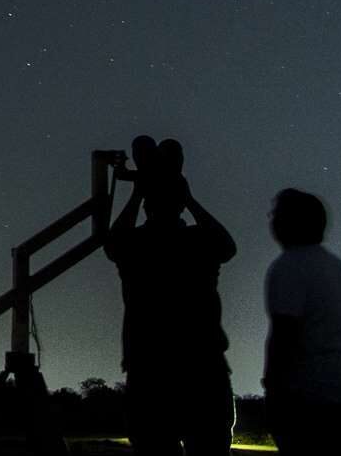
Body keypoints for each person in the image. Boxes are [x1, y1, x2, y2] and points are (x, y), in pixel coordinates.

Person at [104, 137, 237, 456]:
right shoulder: (198, 243)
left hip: (150, 368)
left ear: (147, 206)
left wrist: (138, 191)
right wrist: (189, 198)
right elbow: (227, 246)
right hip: (203, 367)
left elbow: (113, 244)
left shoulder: (137, 245)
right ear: (179, 202)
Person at [263, 188, 341, 455]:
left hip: (312, 397)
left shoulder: (289, 266)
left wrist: (273, 389)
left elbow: (284, 334)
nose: (272, 221)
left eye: (276, 215)